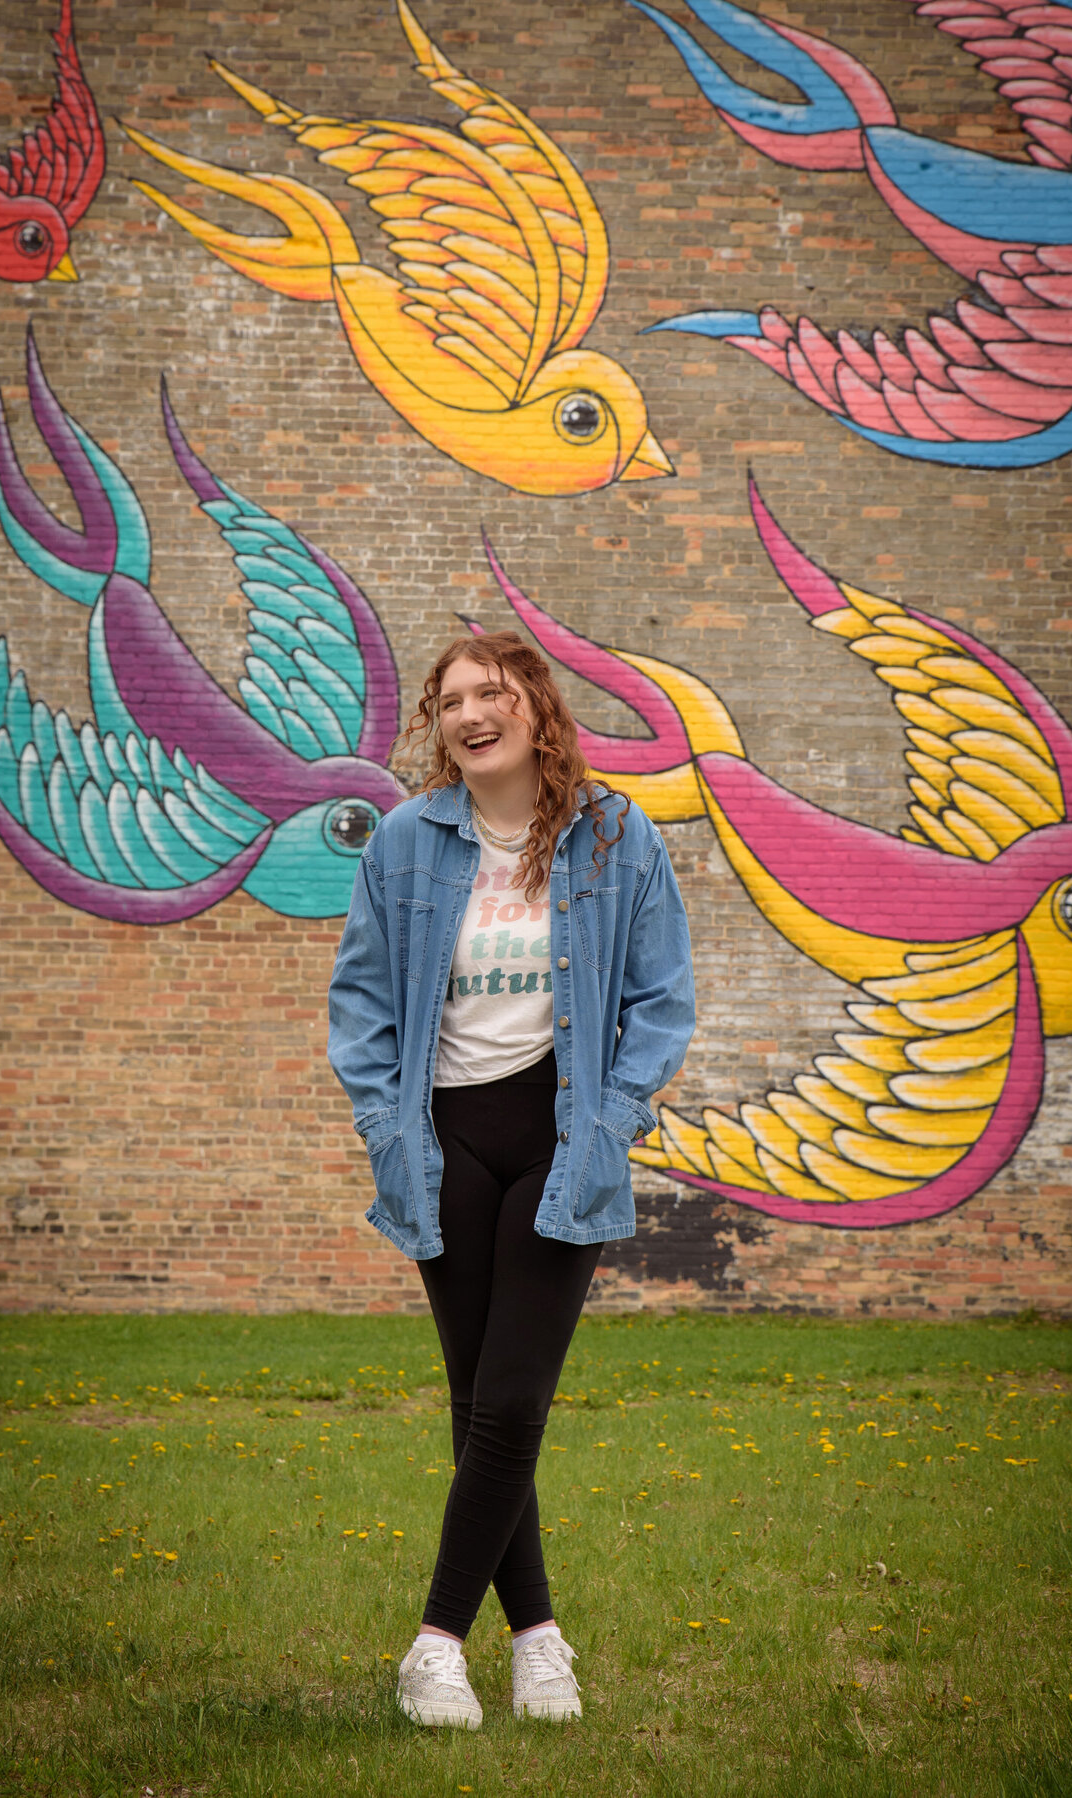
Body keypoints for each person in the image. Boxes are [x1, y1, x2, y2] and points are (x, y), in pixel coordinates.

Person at [327, 631, 695, 1730]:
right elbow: (361, 1004)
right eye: (450, 703)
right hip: (442, 1143)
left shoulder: (617, 835)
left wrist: (616, 1120)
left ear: (537, 708)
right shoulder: (403, 843)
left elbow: (659, 998)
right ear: (437, 729)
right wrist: (385, 1130)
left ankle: (434, 1643)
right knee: (481, 1400)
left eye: (492, 693)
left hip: (561, 1135)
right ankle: (538, 1641)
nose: (469, 714)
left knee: (516, 1396)